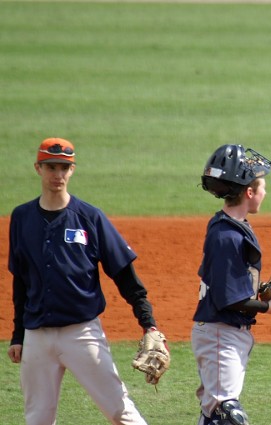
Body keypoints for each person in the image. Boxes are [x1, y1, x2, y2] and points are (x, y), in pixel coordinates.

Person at [7, 137, 165, 425]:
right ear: (38, 168)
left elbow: (124, 274)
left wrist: (148, 323)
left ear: (72, 170)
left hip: (81, 334)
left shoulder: (89, 217)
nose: (57, 174)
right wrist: (18, 336)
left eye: (64, 168)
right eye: (51, 167)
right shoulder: (21, 217)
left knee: (120, 411)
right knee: (37, 419)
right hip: (37, 336)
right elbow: (21, 282)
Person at [192, 144, 271, 425]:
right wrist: (270, 307)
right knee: (225, 414)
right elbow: (229, 299)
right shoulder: (227, 236)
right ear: (249, 192)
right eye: (262, 187)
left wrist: (254, 289)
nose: (265, 193)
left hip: (223, 333)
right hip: (221, 333)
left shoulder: (230, 226)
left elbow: (224, 281)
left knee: (215, 412)